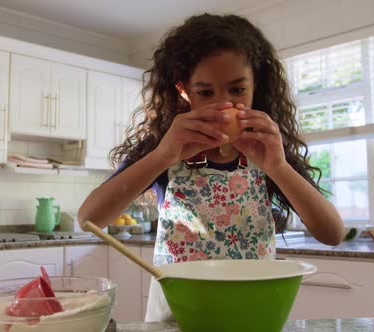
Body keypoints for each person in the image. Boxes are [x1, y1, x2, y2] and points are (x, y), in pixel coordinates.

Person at [78, 13, 344, 322]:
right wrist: (163, 155)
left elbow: (333, 233)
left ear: (256, 85)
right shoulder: (164, 148)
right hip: (178, 318)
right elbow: (88, 219)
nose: (223, 104)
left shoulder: (269, 150)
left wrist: (279, 166)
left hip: (252, 314)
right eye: (205, 93)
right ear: (184, 91)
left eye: (237, 90)